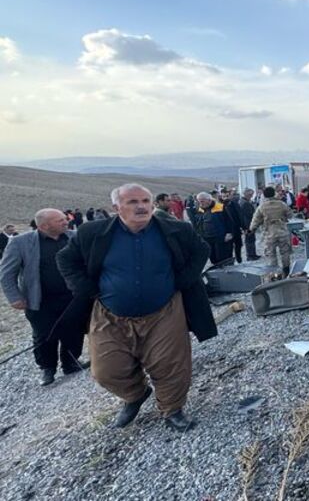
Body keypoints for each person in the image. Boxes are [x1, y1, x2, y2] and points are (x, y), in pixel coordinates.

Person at [57, 184, 215, 431]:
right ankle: (135, 394)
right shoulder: (92, 233)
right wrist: (87, 289)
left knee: (171, 365)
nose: (141, 206)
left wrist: (184, 281)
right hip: (110, 315)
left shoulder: (175, 229)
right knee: (106, 370)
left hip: (164, 312)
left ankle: (172, 409)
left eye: (145, 200)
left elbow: (201, 249)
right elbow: (65, 259)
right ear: (116, 207)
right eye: (132, 202)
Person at [0, 209, 85, 386]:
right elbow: (7, 273)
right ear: (44, 226)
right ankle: (48, 369)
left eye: (64, 219)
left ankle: (70, 363)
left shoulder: (74, 237)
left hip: (72, 297)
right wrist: (14, 297)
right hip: (40, 300)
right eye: (60, 220)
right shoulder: (20, 242)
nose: (66, 222)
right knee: (44, 335)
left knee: (74, 330)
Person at [249, 186, 293, 275]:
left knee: (271, 254)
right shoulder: (282, 204)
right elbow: (290, 215)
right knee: (285, 252)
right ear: (274, 193)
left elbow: (255, 220)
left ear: (264, 195)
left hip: (269, 233)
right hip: (282, 231)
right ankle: (286, 270)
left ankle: (275, 273)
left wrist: (251, 229)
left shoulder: (262, 207)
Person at [193, 192, 235, 264]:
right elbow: (198, 224)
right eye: (199, 201)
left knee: (224, 258)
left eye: (202, 201)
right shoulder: (200, 210)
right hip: (207, 239)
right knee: (213, 258)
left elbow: (229, 221)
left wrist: (229, 233)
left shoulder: (221, 207)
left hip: (221, 238)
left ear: (209, 200)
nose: (200, 203)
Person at [237, 188, 260, 261]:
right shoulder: (245, 203)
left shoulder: (242, 201)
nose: (252, 196)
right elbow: (248, 215)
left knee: (250, 240)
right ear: (247, 194)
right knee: (250, 240)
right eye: (251, 194)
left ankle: (252, 254)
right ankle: (251, 255)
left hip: (247, 224)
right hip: (248, 224)